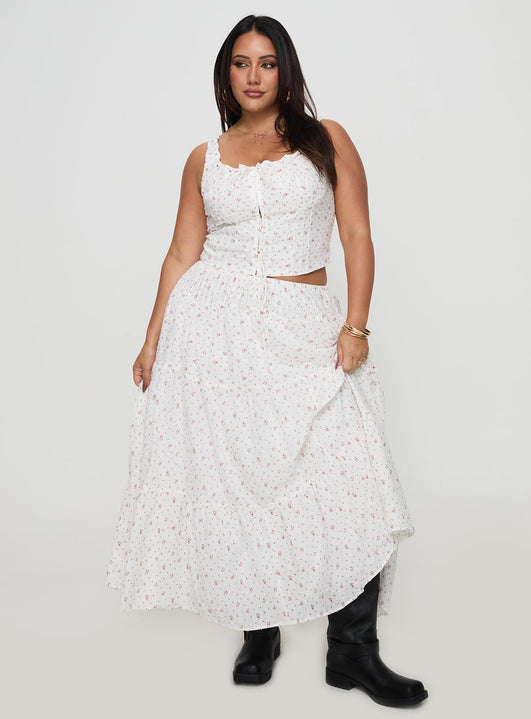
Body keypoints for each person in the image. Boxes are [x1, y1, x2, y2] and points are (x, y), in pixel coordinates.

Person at [105, 14, 428, 708]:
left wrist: (356, 324)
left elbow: (356, 233)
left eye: (267, 62)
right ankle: (258, 631)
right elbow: (181, 252)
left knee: (350, 479)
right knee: (238, 485)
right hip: (213, 336)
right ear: (226, 73)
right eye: (241, 62)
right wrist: (153, 337)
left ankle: (353, 651)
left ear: (286, 71)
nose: (253, 76)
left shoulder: (324, 139)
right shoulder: (205, 156)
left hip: (304, 327)